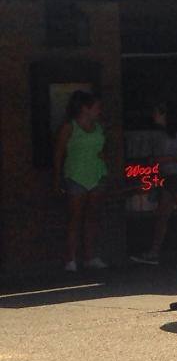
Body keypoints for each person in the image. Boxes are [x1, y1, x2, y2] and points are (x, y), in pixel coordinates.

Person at [133, 103, 177, 266]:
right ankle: (154, 252)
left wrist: (166, 159)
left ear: (164, 114)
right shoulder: (164, 134)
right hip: (169, 177)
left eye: (156, 112)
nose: (153, 116)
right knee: (162, 214)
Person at [53, 89, 109, 272]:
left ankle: (90, 256)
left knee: (92, 216)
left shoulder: (99, 126)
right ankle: (70, 258)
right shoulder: (70, 127)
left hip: (96, 173)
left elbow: (104, 147)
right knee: (74, 218)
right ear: (85, 108)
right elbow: (59, 152)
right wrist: (57, 177)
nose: (99, 110)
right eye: (96, 107)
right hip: (76, 175)